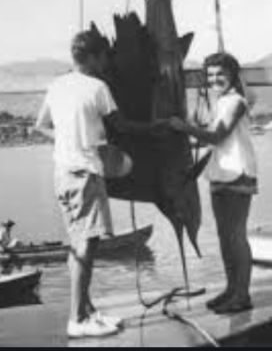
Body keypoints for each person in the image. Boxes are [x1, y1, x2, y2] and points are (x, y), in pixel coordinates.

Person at [34, 30, 161, 339]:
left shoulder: (56, 85)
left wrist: (68, 140)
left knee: (77, 243)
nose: (106, 63)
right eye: (104, 56)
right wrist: (158, 128)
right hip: (85, 175)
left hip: (63, 174)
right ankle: (77, 319)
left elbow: (39, 126)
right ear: (93, 57)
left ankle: (87, 309)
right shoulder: (98, 87)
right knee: (86, 245)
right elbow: (122, 126)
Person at [169, 52, 258, 315]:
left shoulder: (236, 101)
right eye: (210, 75)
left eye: (221, 74)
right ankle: (232, 289)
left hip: (238, 173)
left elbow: (217, 136)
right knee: (224, 237)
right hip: (220, 173)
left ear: (233, 74)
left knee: (236, 236)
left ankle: (242, 295)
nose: (215, 79)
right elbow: (213, 141)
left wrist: (183, 127)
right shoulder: (221, 102)